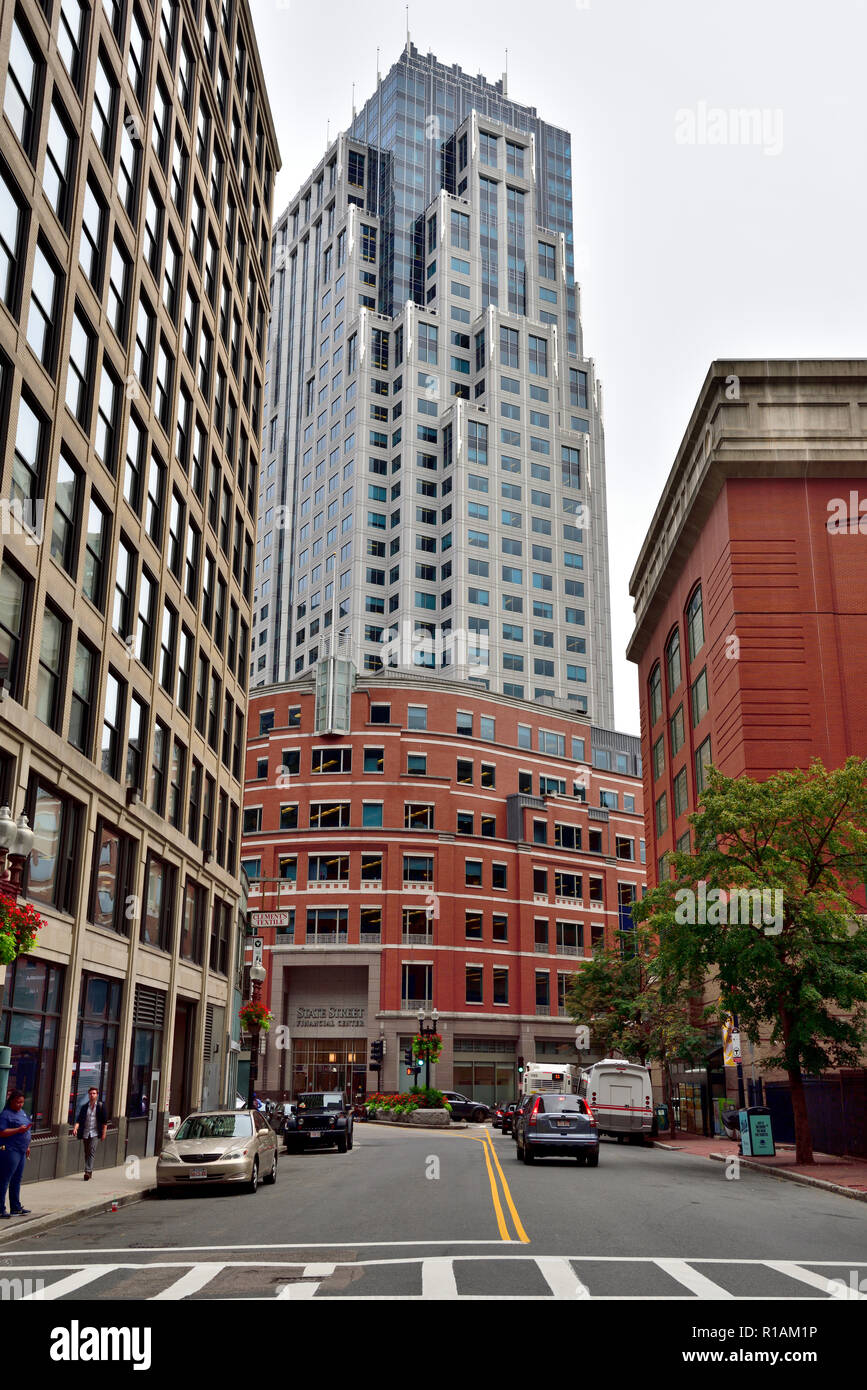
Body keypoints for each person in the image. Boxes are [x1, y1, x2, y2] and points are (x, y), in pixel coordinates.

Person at [0, 1091, 33, 1218]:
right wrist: (18, 1130)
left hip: (21, 1149)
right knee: (4, 1179)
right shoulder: (5, 1115)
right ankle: (1, 1208)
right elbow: (2, 1132)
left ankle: (16, 1207)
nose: (20, 1104)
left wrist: (27, 1145)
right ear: (11, 1101)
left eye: (22, 1102)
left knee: (17, 1179)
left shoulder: (22, 1112)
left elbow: (27, 1130)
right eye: (18, 1102)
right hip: (10, 1150)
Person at [72, 1087, 108, 1180]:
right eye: (90, 1093)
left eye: (94, 1093)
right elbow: (79, 1119)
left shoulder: (100, 1106)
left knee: (91, 1151)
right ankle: (89, 1171)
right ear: (88, 1095)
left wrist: (104, 1133)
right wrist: (75, 1128)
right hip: (85, 1132)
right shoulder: (84, 1107)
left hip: (95, 1132)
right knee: (86, 1152)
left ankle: (87, 1171)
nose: (92, 1095)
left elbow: (104, 1122)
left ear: (97, 1095)